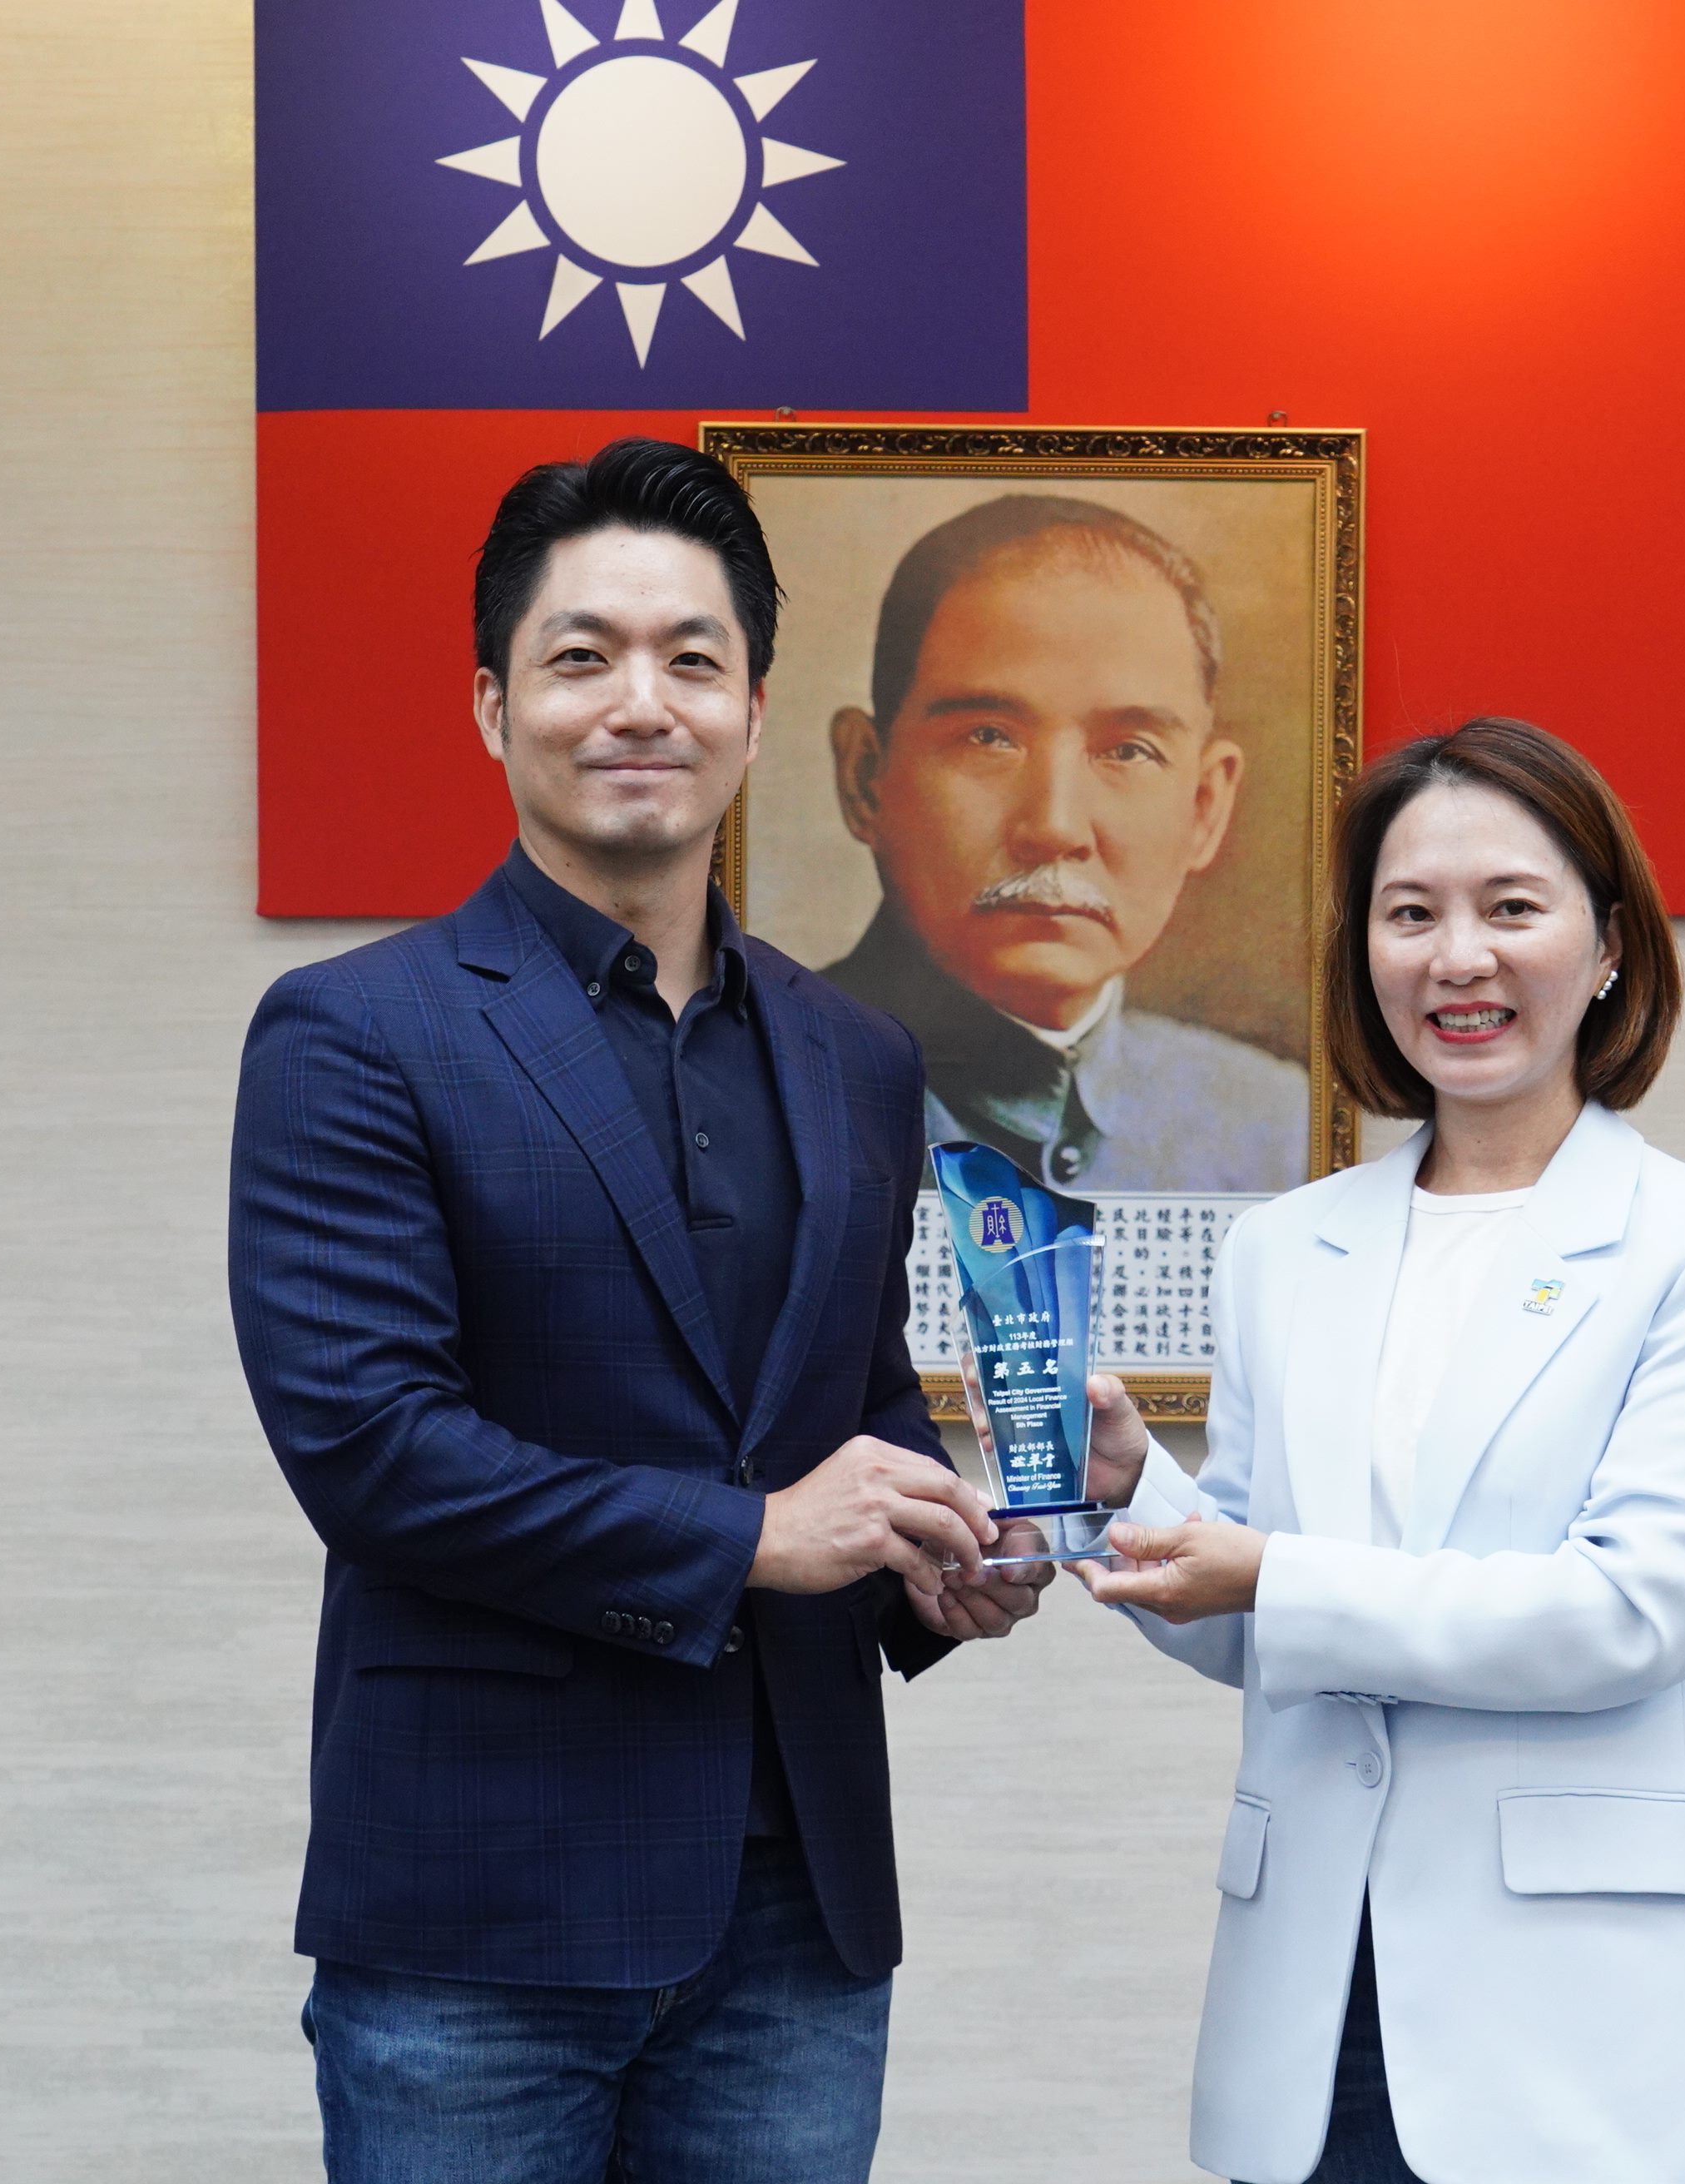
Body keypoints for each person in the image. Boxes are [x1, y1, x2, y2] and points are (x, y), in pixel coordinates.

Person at [227, 437, 1052, 2184]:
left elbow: (849, 1407)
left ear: (753, 713)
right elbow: (375, 1449)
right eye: (581, 655)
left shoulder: (858, 1054)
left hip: (798, 1912)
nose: (639, 702)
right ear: (492, 705)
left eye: (691, 658)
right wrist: (756, 1535)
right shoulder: (356, 1033)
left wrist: (940, 1552)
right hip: (478, 1909)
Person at [1078, 717, 1685, 2184]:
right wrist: (1127, 1488)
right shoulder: (1287, 1248)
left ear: (1609, 945)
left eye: (1511, 907)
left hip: (1582, 2020)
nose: (1457, 957)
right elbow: (1255, 1628)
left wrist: (1266, 1572)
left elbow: (1628, 1613)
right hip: (1318, 2003)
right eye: (1410, 914)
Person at [819, 494, 1310, 1192]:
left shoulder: (1277, 1128)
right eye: (988, 738)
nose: (1055, 828)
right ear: (866, 778)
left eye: (1129, 751)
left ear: (1205, 808)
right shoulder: (745, 1088)